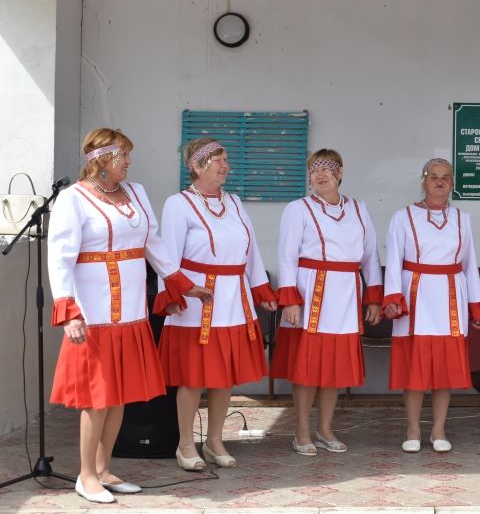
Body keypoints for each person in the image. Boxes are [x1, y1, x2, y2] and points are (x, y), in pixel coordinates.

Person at [48, 128, 211, 503]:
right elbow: (60, 258)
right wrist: (68, 311)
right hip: (93, 313)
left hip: (132, 312)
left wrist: (182, 285)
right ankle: (86, 475)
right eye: (124, 156)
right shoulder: (72, 199)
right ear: (103, 159)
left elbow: (153, 243)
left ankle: (104, 469)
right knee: (97, 397)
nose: (130, 163)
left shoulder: (136, 193)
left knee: (119, 395)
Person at [155, 137, 278, 471]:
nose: (226, 166)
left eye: (226, 160)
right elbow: (167, 256)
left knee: (223, 377)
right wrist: (174, 295)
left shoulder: (235, 202)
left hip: (233, 300)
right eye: (219, 160)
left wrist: (261, 291)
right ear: (197, 166)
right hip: (196, 299)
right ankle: (184, 445)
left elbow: (251, 252)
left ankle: (214, 442)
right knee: (193, 377)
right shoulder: (178, 204)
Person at [271, 149, 383, 455]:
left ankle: (325, 428)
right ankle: (302, 432)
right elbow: (287, 256)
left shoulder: (359, 210)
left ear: (341, 172)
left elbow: (371, 257)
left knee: (333, 368)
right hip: (311, 296)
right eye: (315, 169)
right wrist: (290, 299)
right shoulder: (299, 209)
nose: (321, 175)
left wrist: (373, 297)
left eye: (328, 168)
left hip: (345, 294)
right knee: (307, 368)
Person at [381, 158, 480, 453]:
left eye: (446, 177)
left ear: (453, 183)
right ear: (423, 180)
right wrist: (393, 297)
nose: (440, 181)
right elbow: (393, 261)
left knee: (445, 370)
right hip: (414, 298)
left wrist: (476, 306)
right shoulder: (402, 217)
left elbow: (469, 265)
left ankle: (439, 429)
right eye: (433, 176)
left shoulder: (462, 218)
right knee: (414, 369)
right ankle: (413, 429)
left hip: (450, 300)